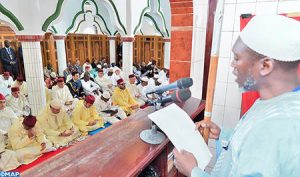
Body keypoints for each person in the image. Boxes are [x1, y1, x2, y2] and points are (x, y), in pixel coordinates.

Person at [173, 15, 300, 177]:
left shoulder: (279, 126)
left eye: (237, 58)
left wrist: (193, 171)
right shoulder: (273, 102)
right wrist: (223, 135)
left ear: (265, 65)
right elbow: (248, 151)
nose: (233, 64)